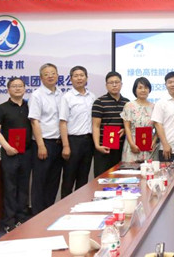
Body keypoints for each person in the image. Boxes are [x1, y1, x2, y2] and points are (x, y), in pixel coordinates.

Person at [0, 77, 33, 232]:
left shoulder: (30, 107)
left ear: (25, 89)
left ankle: (22, 219)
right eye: (14, 86)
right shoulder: (2, 108)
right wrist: (7, 147)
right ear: (8, 89)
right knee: (10, 187)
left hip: (27, 152)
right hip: (9, 153)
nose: (17, 88)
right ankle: (9, 221)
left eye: (20, 86)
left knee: (24, 186)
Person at [28, 63, 63, 215]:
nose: (50, 76)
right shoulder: (37, 95)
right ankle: (37, 215)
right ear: (41, 78)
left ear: (57, 76)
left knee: (53, 181)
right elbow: (34, 121)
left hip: (58, 143)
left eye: (53, 73)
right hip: (43, 143)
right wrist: (41, 145)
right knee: (40, 182)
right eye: (46, 74)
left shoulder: (61, 94)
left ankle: (48, 213)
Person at [59, 66, 96, 198]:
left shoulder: (92, 97)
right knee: (68, 179)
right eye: (76, 76)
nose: (79, 78)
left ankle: (80, 205)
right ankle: (64, 208)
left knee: (83, 179)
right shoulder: (67, 97)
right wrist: (66, 146)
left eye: (82, 75)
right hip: (73, 141)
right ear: (71, 79)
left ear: (86, 78)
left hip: (88, 141)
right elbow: (63, 122)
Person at [92, 71, 130, 176]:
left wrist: (125, 130)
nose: (114, 85)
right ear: (106, 85)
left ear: (121, 84)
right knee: (102, 178)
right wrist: (97, 145)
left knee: (120, 177)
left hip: (121, 148)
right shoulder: (99, 102)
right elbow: (95, 126)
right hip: (104, 147)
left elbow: (129, 125)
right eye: (111, 83)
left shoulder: (127, 103)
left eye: (117, 82)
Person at [152, 71, 174, 162]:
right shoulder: (161, 103)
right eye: (170, 82)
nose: (173, 84)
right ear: (166, 85)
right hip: (168, 149)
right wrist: (165, 144)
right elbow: (158, 124)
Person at [121, 77, 156, 162]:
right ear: (135, 90)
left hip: (148, 146)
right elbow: (127, 127)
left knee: (148, 169)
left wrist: (153, 142)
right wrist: (131, 144)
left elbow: (158, 129)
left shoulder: (154, 107)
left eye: (146, 88)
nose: (143, 90)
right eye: (140, 88)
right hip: (132, 144)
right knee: (131, 169)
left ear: (149, 90)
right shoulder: (129, 105)